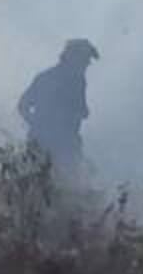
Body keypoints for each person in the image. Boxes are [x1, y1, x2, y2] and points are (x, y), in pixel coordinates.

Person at [18, 39, 99, 185]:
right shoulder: (76, 80)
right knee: (65, 183)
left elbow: (23, 106)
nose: (87, 64)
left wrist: (34, 123)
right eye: (85, 60)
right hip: (63, 143)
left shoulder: (46, 77)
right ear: (74, 58)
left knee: (38, 182)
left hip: (45, 139)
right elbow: (81, 110)